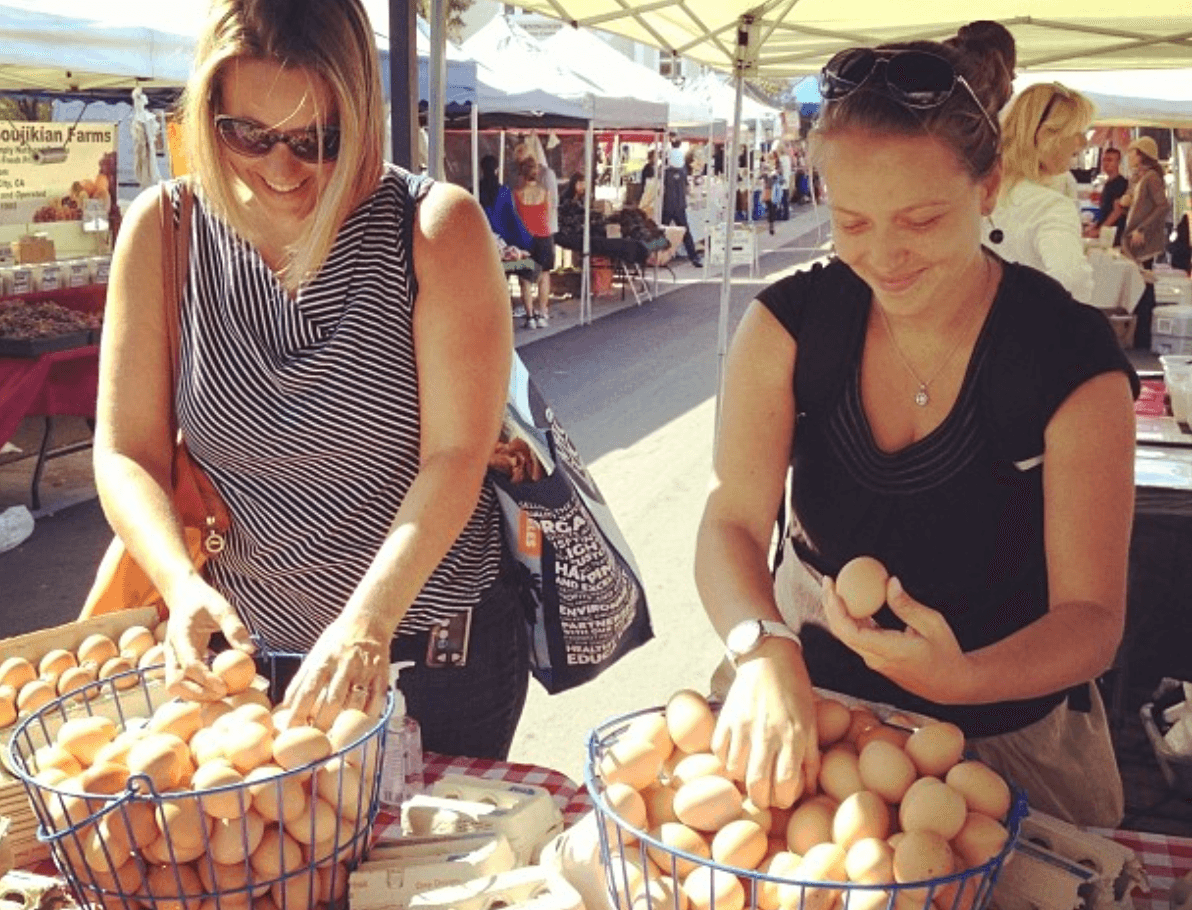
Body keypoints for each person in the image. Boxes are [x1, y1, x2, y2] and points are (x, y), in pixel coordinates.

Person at [695, 20, 1137, 828]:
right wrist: (763, 647)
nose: (885, 256)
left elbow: (1092, 621)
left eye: (923, 220)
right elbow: (730, 516)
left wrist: (963, 681)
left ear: (990, 186)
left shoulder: (1067, 356)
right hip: (809, 710)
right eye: (853, 222)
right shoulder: (788, 326)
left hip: (1007, 740)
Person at [93, 0, 529, 761]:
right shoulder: (164, 232)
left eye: (317, 139)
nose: (280, 168)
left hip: (430, 654)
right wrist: (180, 585)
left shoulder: (434, 231)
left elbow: (455, 457)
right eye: (246, 135)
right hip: (246, 661)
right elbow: (124, 449)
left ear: (360, 112)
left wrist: (367, 622)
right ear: (207, 115)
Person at [990, 82, 1095, 303]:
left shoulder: (977, 191)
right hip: (1026, 333)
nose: (1082, 143)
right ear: (1046, 135)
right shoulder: (1050, 206)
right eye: (1076, 132)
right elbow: (1073, 281)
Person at [1121, 136, 1169, 349]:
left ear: (1141, 154)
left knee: (1145, 287)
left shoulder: (1151, 178)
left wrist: (1142, 228)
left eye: (1132, 152)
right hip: (1135, 239)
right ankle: (1139, 337)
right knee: (1142, 286)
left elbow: (1162, 206)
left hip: (1144, 241)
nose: (1129, 156)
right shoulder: (1140, 178)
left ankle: (1143, 338)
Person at [514, 156, 555, 328]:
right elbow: (550, 213)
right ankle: (543, 313)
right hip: (544, 236)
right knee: (544, 275)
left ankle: (530, 316)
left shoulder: (517, 193)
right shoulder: (545, 192)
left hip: (525, 239)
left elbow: (515, 217)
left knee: (524, 278)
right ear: (536, 173)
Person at [662, 135, 703, 267]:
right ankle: (694, 256)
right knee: (685, 231)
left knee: (661, 231)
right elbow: (687, 189)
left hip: (667, 204)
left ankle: (657, 253)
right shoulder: (683, 171)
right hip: (680, 204)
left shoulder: (665, 172)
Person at [1083, 147, 1128, 242]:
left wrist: (1099, 230)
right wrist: (1095, 226)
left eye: (1110, 160)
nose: (1106, 163)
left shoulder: (1120, 183)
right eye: (1104, 160)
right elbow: (1105, 211)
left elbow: (1117, 211)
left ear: (1118, 163)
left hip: (1113, 234)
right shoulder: (1108, 183)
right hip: (1105, 231)